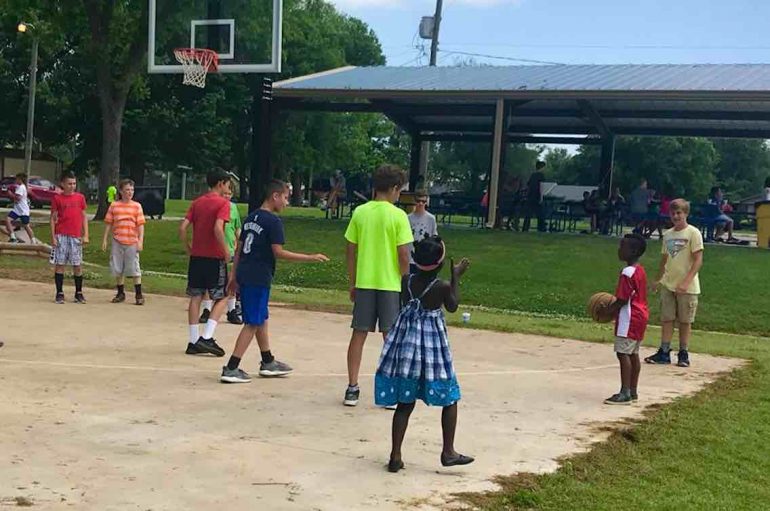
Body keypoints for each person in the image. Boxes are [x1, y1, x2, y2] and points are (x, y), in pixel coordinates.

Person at [375, 236, 474, 472]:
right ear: (440, 265)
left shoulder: (406, 280)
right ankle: (448, 451)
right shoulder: (441, 287)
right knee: (450, 396)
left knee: (405, 402)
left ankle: (395, 455)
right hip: (431, 347)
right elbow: (452, 306)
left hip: (407, 345)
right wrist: (455, 278)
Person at [220, 180, 329, 383]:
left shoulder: (251, 217)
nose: (287, 202)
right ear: (275, 196)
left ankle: (267, 360)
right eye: (286, 197)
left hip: (245, 271)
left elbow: (238, 249)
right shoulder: (273, 221)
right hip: (258, 276)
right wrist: (310, 257)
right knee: (252, 322)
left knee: (261, 317)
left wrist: (234, 276)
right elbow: (278, 252)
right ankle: (232, 367)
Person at [343, 164, 413, 407]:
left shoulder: (361, 212)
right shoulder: (398, 216)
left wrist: (352, 281)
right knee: (390, 338)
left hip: (364, 281)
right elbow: (403, 254)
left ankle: (352, 387)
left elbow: (350, 250)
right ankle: (390, 389)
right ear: (394, 188)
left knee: (358, 334)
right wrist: (407, 283)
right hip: (390, 284)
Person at [179, 168, 232, 357]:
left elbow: (183, 227)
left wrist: (188, 248)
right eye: (227, 184)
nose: (228, 188)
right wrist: (226, 252)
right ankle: (207, 337)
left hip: (197, 256)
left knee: (196, 296)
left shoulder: (197, 202)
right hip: (214, 257)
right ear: (220, 184)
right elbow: (218, 228)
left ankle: (193, 341)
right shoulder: (222, 203)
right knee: (224, 296)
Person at [645, 199, 704, 368]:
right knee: (667, 318)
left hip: (687, 286)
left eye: (679, 213)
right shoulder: (668, 234)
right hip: (669, 284)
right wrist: (658, 279)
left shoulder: (693, 233)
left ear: (686, 214)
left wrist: (686, 282)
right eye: (672, 213)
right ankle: (664, 351)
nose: (676, 216)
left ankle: (683, 352)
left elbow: (698, 260)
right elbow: (664, 260)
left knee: (685, 320)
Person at [601, 234, 649, 405]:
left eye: (623, 246)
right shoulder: (639, 269)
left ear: (633, 251)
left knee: (623, 354)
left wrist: (608, 311)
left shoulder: (627, 272)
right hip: (640, 316)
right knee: (634, 353)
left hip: (629, 317)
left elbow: (622, 299)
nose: (619, 249)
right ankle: (633, 391)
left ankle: (625, 392)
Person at [202, 189, 244, 325]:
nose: (227, 196)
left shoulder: (233, 208)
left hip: (230, 247)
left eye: (229, 194)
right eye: (224, 193)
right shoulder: (215, 206)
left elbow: (237, 227)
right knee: (210, 280)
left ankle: (231, 310)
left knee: (230, 279)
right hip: (214, 249)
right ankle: (207, 309)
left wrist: (241, 243)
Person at [101, 178, 146, 305]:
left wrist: (140, 241)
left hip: (132, 240)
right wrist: (105, 239)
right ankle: (120, 292)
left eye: (132, 190)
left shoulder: (137, 206)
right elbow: (109, 223)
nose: (130, 192)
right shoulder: (114, 206)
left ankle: (138, 294)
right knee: (118, 267)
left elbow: (141, 225)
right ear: (121, 191)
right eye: (127, 190)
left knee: (134, 268)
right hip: (117, 240)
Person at [50, 172, 89, 304]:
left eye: (74, 183)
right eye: (69, 183)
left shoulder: (80, 198)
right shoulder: (57, 198)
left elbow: (84, 216)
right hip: (61, 234)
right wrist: (53, 237)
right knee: (60, 264)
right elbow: (53, 218)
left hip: (76, 235)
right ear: (62, 184)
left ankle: (78, 292)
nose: (72, 186)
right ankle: (59, 292)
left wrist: (86, 234)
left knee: (77, 265)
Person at [407, 191, 438, 274]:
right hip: (410, 257)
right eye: (418, 201)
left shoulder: (431, 218)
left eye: (423, 201)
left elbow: (434, 236)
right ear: (414, 201)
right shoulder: (407, 218)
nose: (420, 204)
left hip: (424, 257)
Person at [4, 173, 36, 244]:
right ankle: (13, 237)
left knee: (26, 226)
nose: (16, 180)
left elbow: (18, 198)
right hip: (17, 210)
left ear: (20, 179)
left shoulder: (21, 187)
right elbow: (16, 199)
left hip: (23, 210)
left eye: (17, 179)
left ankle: (33, 241)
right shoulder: (20, 187)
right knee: (8, 220)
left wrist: (10, 194)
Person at [522, 161, 546, 232]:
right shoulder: (541, 175)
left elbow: (528, 184)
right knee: (540, 213)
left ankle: (525, 228)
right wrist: (541, 197)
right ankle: (541, 228)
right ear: (542, 167)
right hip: (537, 196)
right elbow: (541, 186)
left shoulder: (532, 175)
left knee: (528, 213)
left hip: (530, 196)